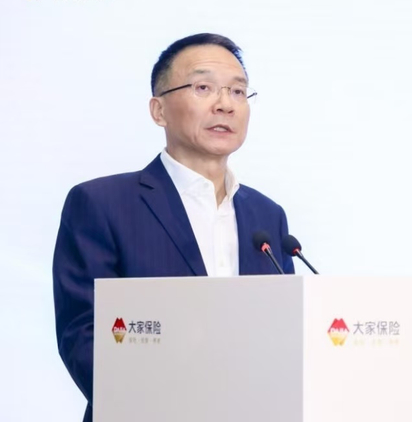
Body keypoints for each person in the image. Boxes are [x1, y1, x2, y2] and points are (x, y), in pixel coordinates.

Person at [52, 33, 294, 422]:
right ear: (159, 110)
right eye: (203, 88)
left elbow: (283, 334)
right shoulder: (102, 203)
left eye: (238, 91)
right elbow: (84, 337)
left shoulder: (268, 216)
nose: (225, 104)